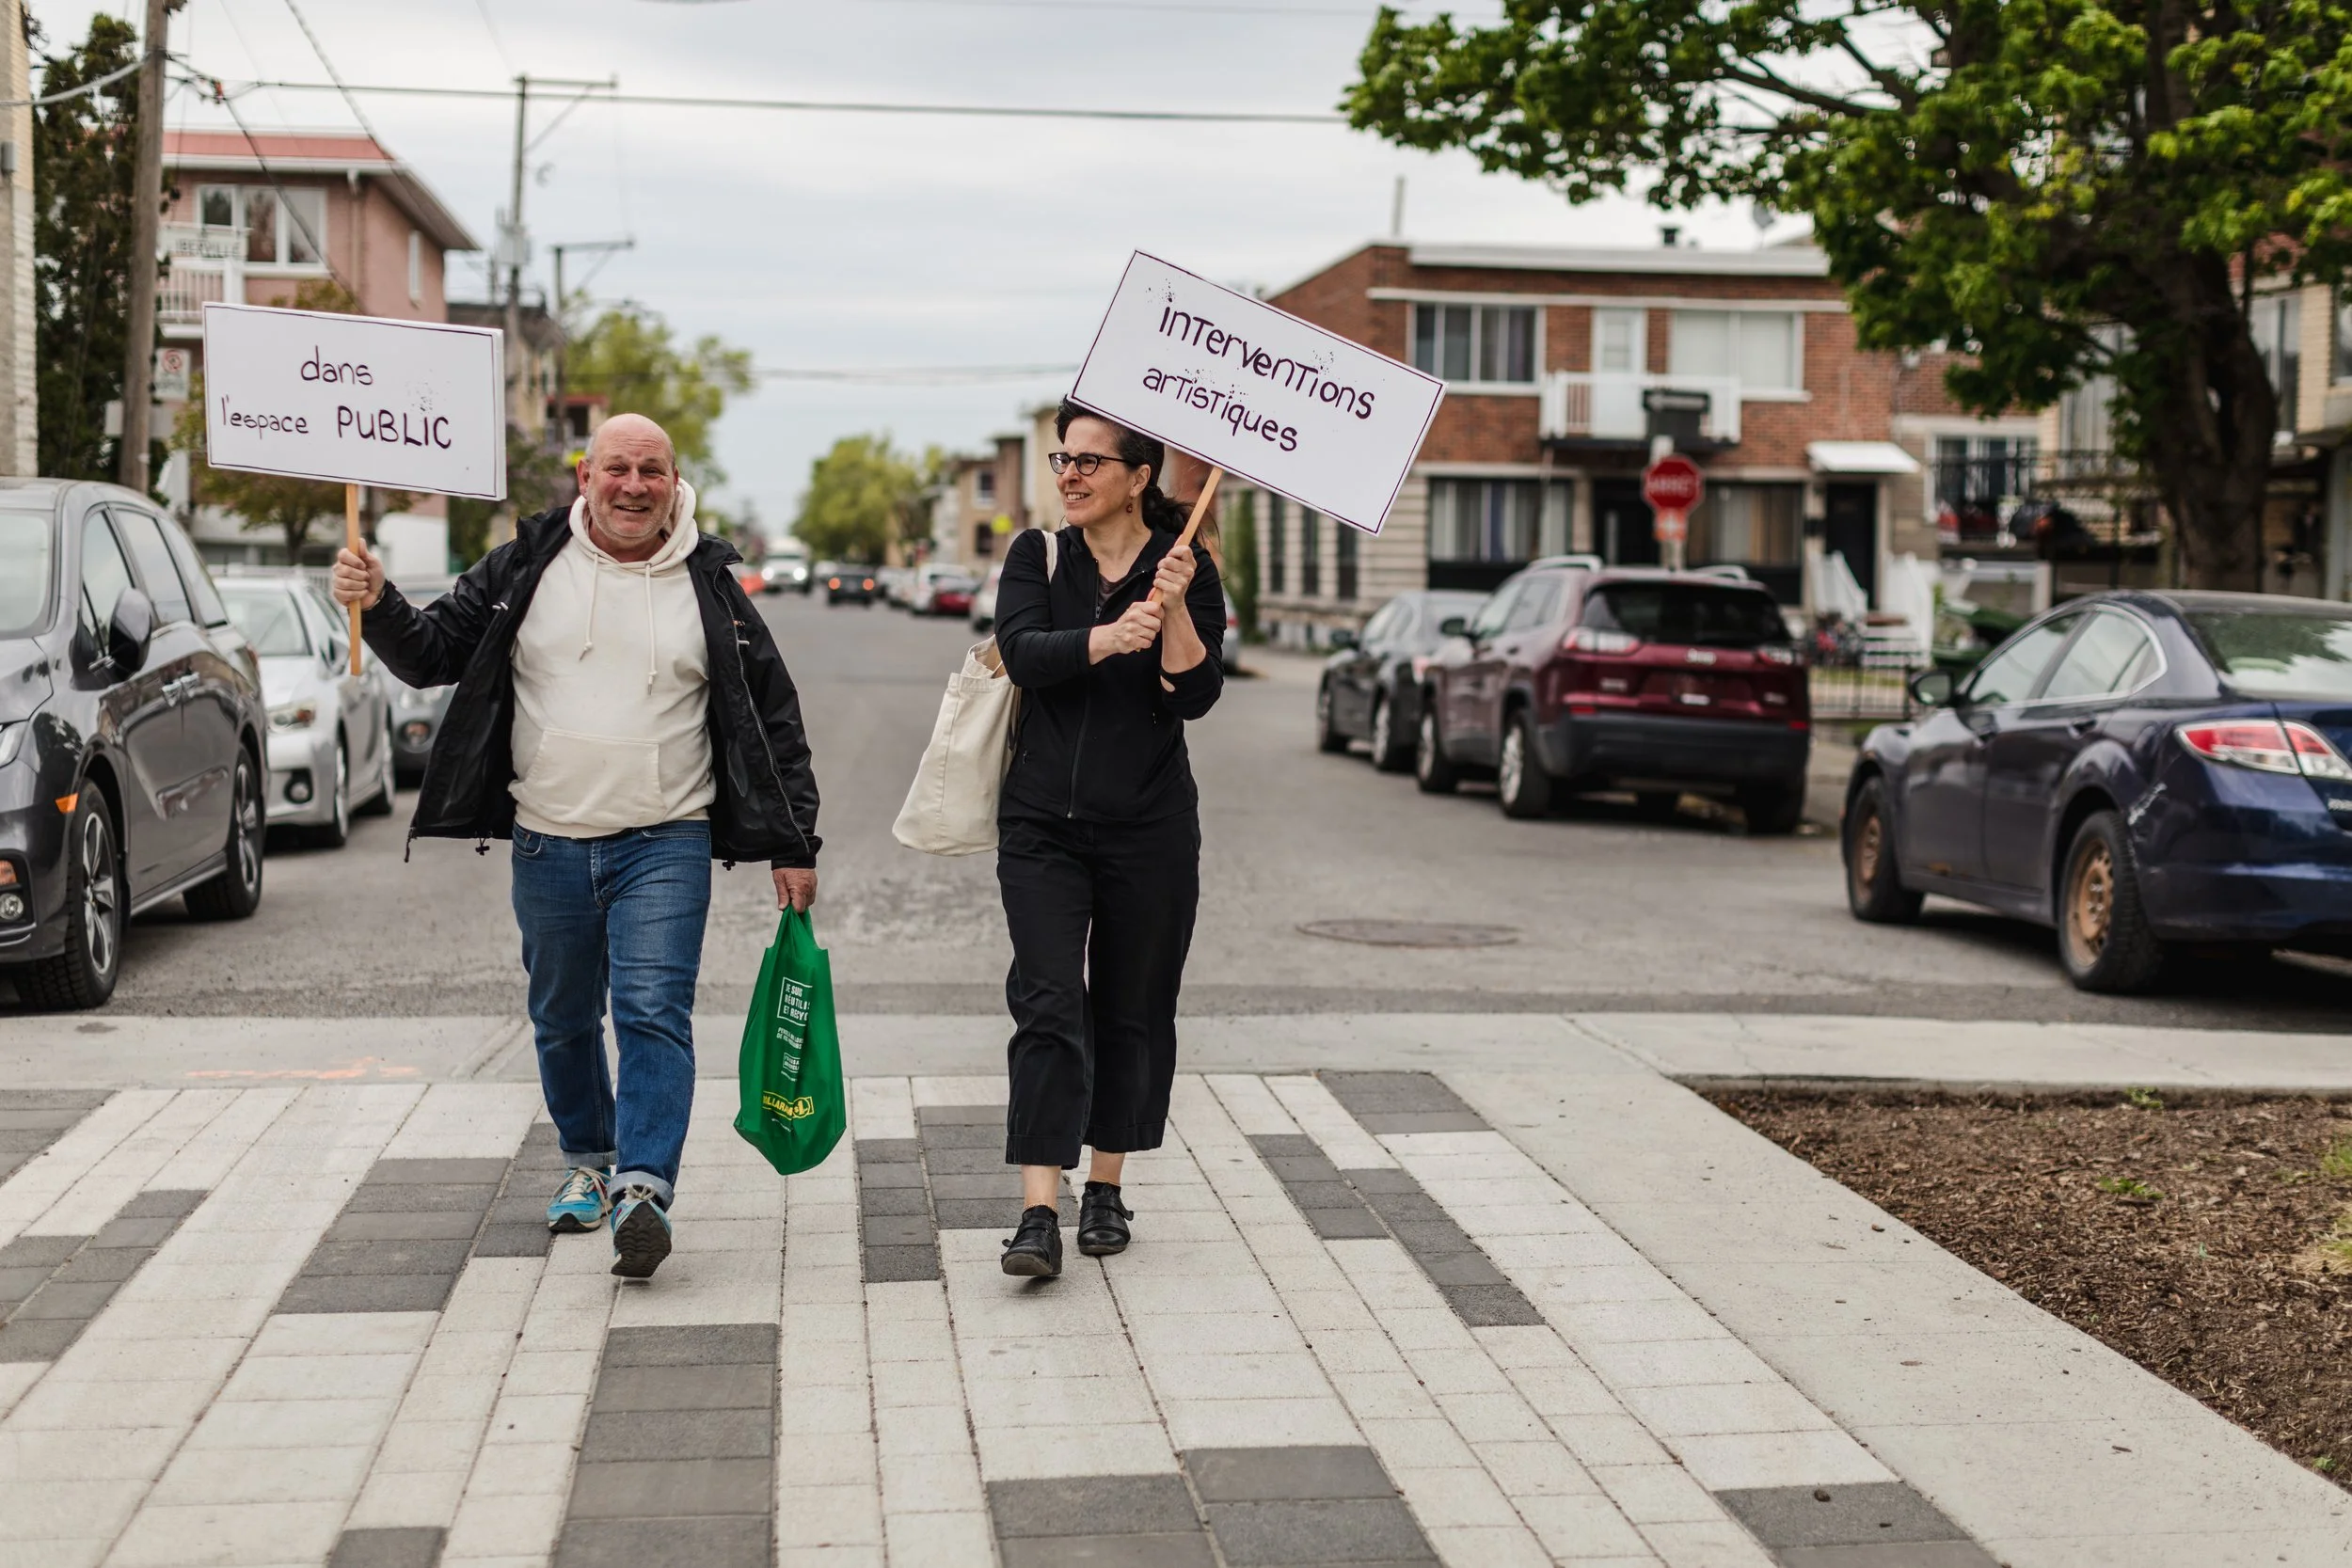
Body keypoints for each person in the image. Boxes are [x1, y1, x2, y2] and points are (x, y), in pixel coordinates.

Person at [329, 414, 821, 1279]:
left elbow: (772, 716)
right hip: (546, 838)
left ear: (675, 482)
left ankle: (643, 1187)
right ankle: (587, 1164)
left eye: (652, 471)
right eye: (618, 469)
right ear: (585, 476)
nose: (635, 486)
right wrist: (379, 598)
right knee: (561, 1017)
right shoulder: (527, 565)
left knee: (650, 1010)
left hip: (666, 835)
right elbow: (436, 651)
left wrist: (795, 840)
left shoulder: (709, 583)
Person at [991, 399, 1225, 1278]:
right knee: (1048, 1002)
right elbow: (1021, 652)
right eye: (1063, 460)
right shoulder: (1037, 555)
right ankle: (1038, 1211)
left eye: (1091, 462)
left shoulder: (1186, 565)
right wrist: (1103, 637)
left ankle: (1107, 1186)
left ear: (1138, 477)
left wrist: (1170, 610)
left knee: (1134, 1005)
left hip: (1151, 826)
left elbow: (1194, 697)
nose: (1072, 475)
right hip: (1042, 821)